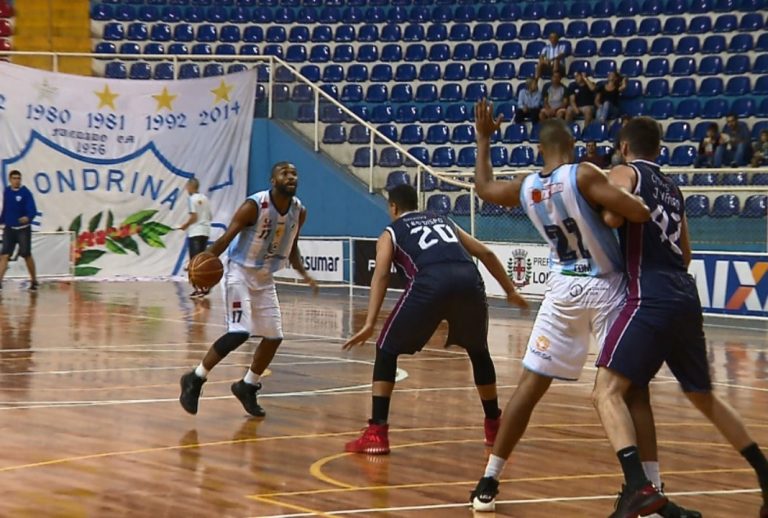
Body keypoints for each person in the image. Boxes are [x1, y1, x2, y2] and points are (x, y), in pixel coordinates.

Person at [469, 100, 674, 514]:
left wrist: (485, 140)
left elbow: (484, 188)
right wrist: (616, 209)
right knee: (632, 392)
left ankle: (488, 480)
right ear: (572, 142)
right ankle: (650, 486)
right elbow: (633, 210)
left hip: (562, 290)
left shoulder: (526, 187)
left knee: (529, 388)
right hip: (606, 287)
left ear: (540, 150)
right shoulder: (584, 174)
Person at [591, 117, 768, 518]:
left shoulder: (626, 172)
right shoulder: (673, 189)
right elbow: (686, 254)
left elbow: (616, 215)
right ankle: (764, 472)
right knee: (701, 395)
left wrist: (603, 211)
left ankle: (637, 486)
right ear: (659, 149)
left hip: (649, 295)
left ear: (624, 147)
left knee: (606, 391)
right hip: (685, 294)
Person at [342, 184, 528, 454]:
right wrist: (510, 290)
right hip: (468, 277)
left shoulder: (391, 231)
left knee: (386, 349)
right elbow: (485, 253)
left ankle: (377, 432)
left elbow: (381, 274)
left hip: (430, 281)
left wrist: (370, 322)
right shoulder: (443, 220)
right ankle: (493, 425)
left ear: (393, 207)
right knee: (479, 351)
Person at [179, 162, 318, 418]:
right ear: (272, 180)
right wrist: (199, 263)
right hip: (239, 272)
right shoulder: (254, 206)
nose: (291, 177)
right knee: (240, 332)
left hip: (265, 277)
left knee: (274, 337)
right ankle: (195, 378)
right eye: (284, 173)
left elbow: (292, 246)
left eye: (294, 173)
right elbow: (225, 239)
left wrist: (305, 275)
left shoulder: (299, 211)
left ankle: (248, 385)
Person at [0, 170, 38, 291]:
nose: (17, 180)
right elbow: (5, 208)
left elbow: (32, 209)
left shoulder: (25, 193)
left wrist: (28, 217)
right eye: (14, 178)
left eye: (18, 178)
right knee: (4, 254)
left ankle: (34, 280)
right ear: (10, 179)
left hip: (23, 230)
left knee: (26, 254)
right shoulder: (7, 192)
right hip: (9, 229)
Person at [178, 178, 212, 297]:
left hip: (195, 232)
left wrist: (184, 226)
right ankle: (205, 286)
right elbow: (210, 216)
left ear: (192, 187)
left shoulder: (192, 199)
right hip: (205, 231)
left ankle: (199, 288)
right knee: (201, 260)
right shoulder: (205, 198)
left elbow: (194, 217)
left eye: (187, 186)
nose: (186, 189)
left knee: (195, 262)